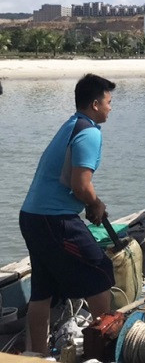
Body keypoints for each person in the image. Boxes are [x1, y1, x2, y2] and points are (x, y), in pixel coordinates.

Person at [19, 74, 117, 355]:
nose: (111, 108)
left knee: (43, 289)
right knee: (100, 272)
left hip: (32, 216)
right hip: (55, 220)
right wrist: (96, 204)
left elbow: (69, 181)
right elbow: (80, 184)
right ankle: (102, 350)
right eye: (109, 102)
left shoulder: (71, 125)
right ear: (96, 104)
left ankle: (36, 354)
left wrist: (89, 202)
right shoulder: (90, 132)